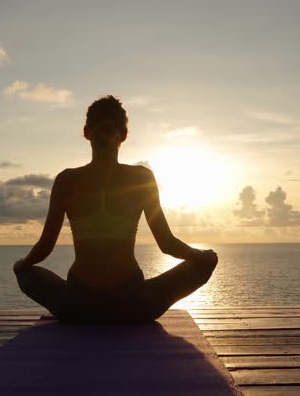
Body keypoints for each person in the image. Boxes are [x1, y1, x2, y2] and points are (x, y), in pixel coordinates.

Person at [13, 95, 218, 322]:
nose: (103, 135)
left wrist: (22, 265)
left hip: (78, 305)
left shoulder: (67, 180)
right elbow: (166, 243)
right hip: (132, 305)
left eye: (106, 129)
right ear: (123, 135)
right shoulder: (141, 178)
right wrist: (203, 256)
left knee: (25, 275)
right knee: (205, 264)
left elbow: (45, 247)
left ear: (86, 132)